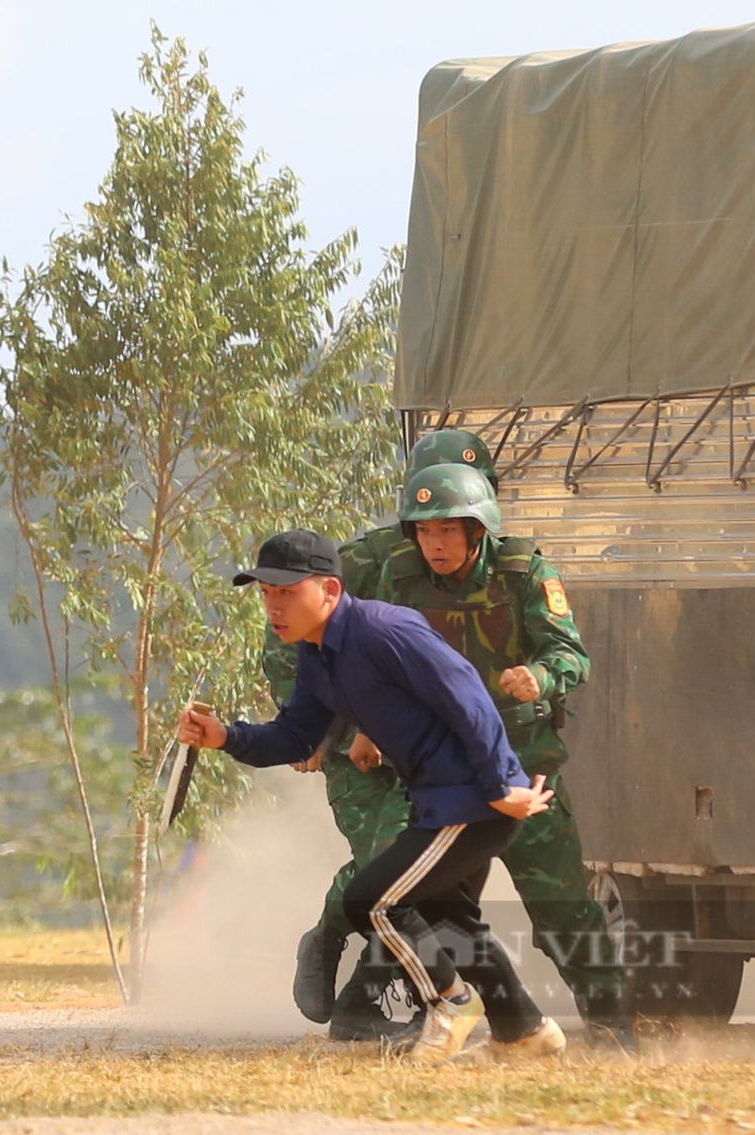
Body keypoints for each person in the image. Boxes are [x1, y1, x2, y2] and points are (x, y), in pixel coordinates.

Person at [182, 527, 566, 1063]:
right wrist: (226, 737)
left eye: (287, 591)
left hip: (473, 800)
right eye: (266, 592)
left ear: (331, 591)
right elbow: (296, 737)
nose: (274, 605)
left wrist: (503, 785)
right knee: (449, 921)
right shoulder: (319, 657)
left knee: (372, 902)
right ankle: (525, 1030)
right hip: (443, 800)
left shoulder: (384, 632)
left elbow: (468, 698)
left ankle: (449, 1003)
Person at [386, 457, 630, 1042]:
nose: (434, 544)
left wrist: (540, 677)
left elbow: (572, 654)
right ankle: (465, 1023)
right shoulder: (399, 579)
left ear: (477, 530)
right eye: (424, 530)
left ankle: (615, 1029)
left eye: (447, 529)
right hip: (444, 776)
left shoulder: (524, 573)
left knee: (562, 909)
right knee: (426, 906)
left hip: (525, 771)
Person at [275, 430, 503, 1040]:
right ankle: (327, 936)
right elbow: (303, 645)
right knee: (389, 866)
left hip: (443, 757)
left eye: (461, 506)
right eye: (428, 516)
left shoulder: (502, 564)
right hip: (365, 753)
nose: (442, 527)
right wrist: (332, 728)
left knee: (434, 884)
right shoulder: (368, 561)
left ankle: (362, 1006)